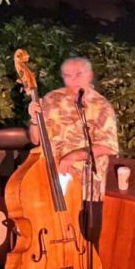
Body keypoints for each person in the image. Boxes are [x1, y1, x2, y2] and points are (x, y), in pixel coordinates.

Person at [28, 57, 118, 248]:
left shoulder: (101, 106)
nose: (73, 80)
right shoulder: (51, 99)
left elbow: (108, 146)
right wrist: (34, 120)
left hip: (86, 185)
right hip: (51, 178)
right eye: (68, 76)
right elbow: (36, 139)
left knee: (85, 242)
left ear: (90, 75)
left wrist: (72, 157)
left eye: (78, 75)